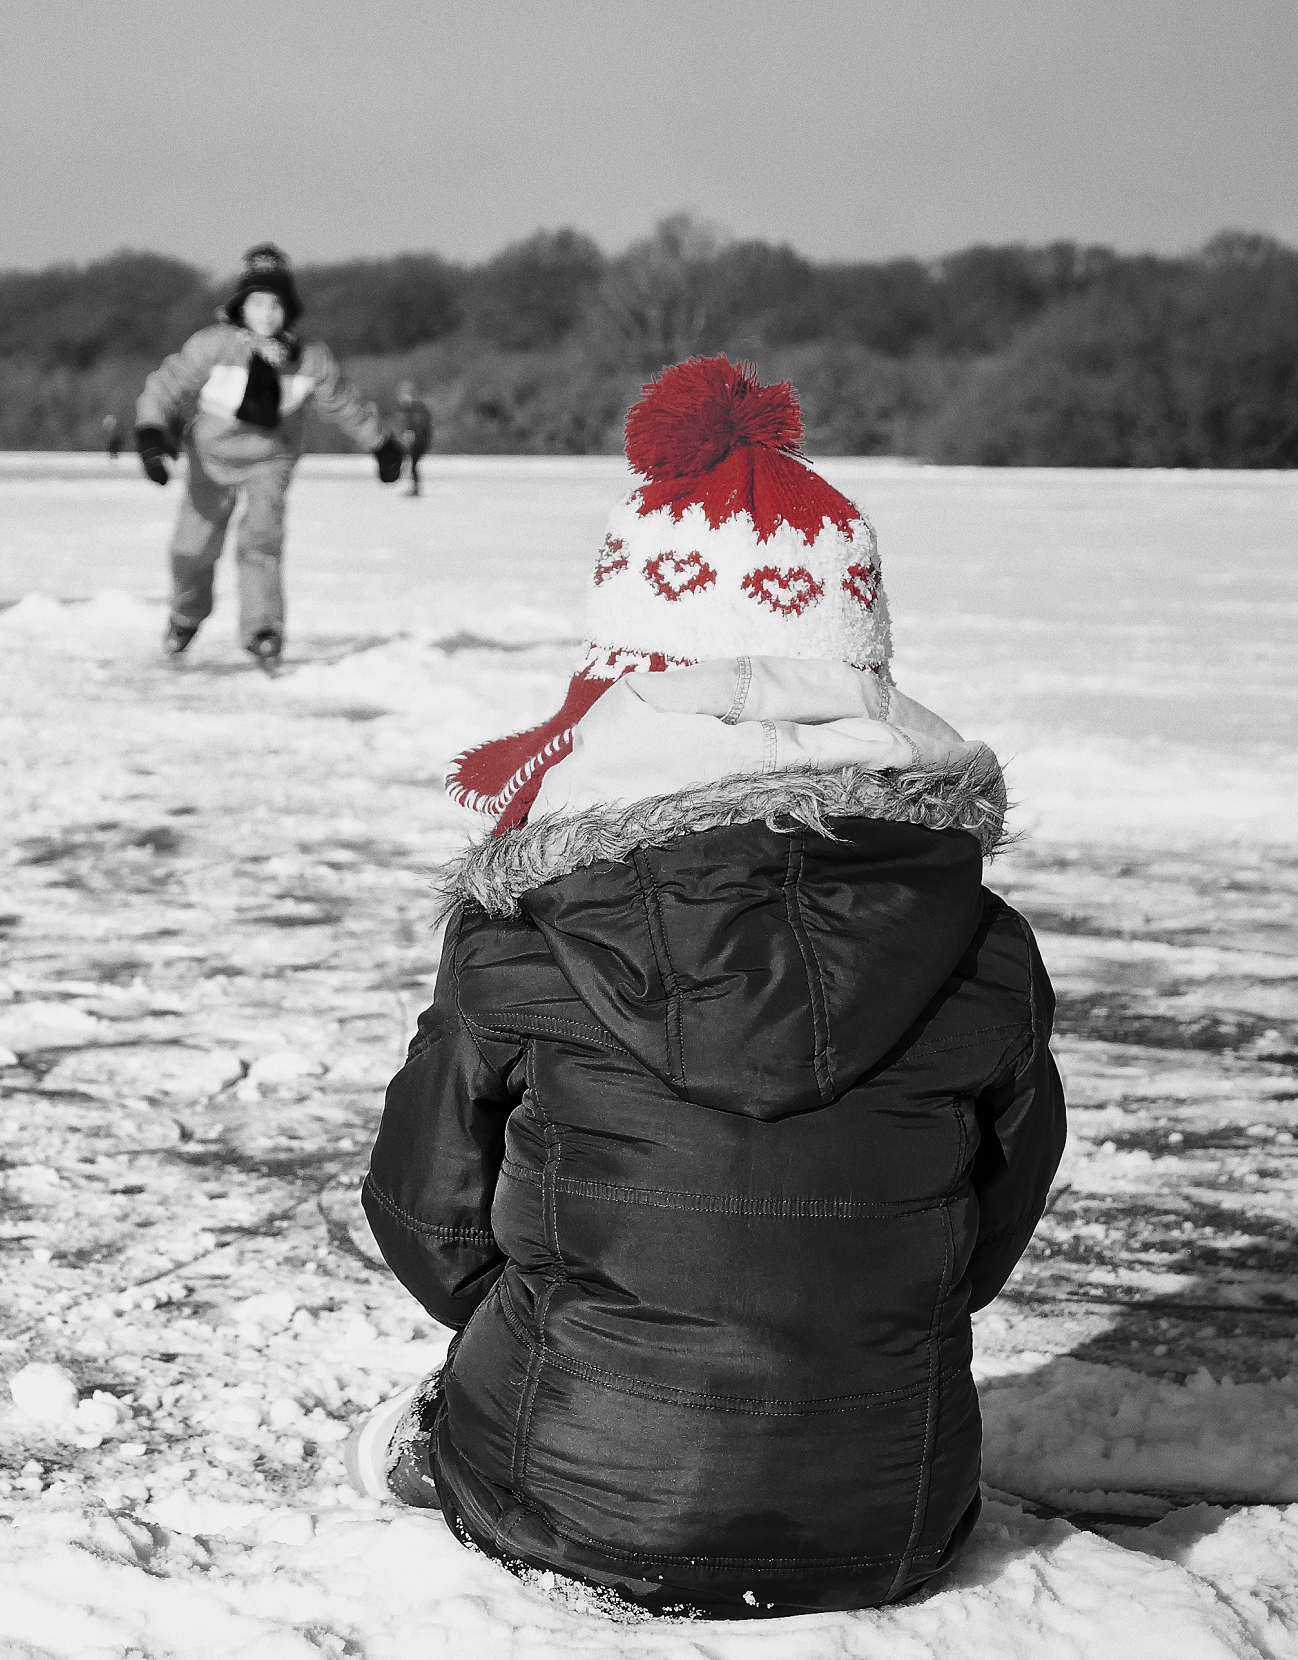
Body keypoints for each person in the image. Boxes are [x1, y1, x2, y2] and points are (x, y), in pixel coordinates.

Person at [351, 356, 1065, 1618]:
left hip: (563, 1498)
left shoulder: (526, 928)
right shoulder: (980, 940)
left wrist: (571, 1318)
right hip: (896, 1521)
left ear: (622, 668)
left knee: (471, 1391)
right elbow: (984, 1234)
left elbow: (432, 1222)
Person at [133, 244, 402, 669]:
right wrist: (151, 433)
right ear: (243, 306)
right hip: (211, 458)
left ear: (289, 310)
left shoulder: (309, 358)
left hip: (271, 459)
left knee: (261, 541)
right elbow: (167, 385)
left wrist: (382, 444)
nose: (268, 314)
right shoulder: (214, 346)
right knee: (191, 549)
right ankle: (186, 615)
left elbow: (344, 403)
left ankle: (263, 629)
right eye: (259, 303)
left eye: (278, 305)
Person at [394, 381, 433, 497]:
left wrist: (414, 434)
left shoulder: (416, 411)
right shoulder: (415, 410)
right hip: (420, 439)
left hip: (420, 440)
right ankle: (415, 487)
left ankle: (415, 489)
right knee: (412, 464)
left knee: (413, 463)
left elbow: (419, 426)